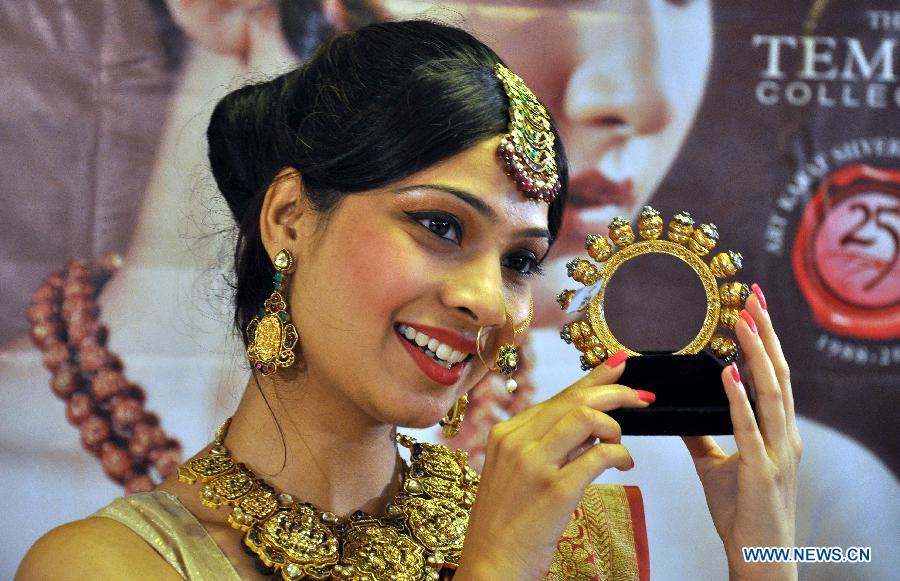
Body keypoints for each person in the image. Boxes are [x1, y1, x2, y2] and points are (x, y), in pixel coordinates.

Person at [17, 20, 799, 580]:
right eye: (439, 224)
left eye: (522, 259)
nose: (488, 300)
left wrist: (763, 558)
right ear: (289, 217)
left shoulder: (573, 537)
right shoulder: (106, 563)